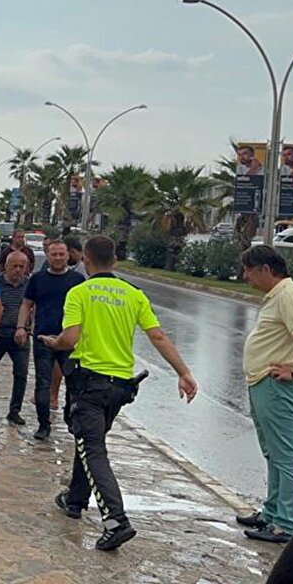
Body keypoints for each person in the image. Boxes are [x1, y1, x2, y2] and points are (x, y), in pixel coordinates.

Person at [40, 235, 197, 551]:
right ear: (114, 259)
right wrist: (183, 372)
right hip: (119, 387)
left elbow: (70, 338)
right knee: (89, 440)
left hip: (89, 383)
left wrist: (54, 343)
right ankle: (75, 499)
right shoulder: (133, 294)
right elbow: (158, 336)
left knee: (93, 449)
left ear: (86, 260)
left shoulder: (79, 292)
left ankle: (116, 520)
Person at [237, 246, 293, 544]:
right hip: (263, 383)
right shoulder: (277, 296)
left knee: (286, 455)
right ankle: (272, 512)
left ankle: (287, 523)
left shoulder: (289, 295)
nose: (245, 276)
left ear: (266, 269)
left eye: (249, 270)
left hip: (278, 386)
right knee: (273, 452)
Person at [18, 240, 85, 440]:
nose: (57, 258)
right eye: (54, 254)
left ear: (68, 256)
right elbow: (26, 304)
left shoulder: (77, 280)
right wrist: (21, 327)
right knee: (43, 383)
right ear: (48, 256)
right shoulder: (38, 279)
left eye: (61, 254)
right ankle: (43, 425)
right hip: (43, 337)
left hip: (70, 339)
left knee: (74, 383)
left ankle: (71, 419)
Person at [0, 251, 31, 426]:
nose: (18, 270)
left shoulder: (29, 284)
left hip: (20, 334)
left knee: (21, 374)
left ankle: (15, 411)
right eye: (15, 266)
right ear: (6, 266)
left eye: (22, 266)